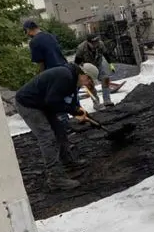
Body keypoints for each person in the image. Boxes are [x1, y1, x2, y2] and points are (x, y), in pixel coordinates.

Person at [15, 63, 99, 191]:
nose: (87, 84)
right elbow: (53, 101)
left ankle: (68, 163)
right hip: (28, 104)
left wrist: (79, 111)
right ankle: (55, 178)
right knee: (47, 137)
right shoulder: (66, 77)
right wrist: (74, 111)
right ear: (84, 74)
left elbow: (69, 101)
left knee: (59, 130)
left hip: (42, 103)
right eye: (88, 80)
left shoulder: (72, 79)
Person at [75, 34, 114, 109]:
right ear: (88, 42)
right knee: (90, 84)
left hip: (98, 65)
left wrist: (110, 64)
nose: (96, 44)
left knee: (105, 79)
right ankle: (96, 103)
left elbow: (106, 54)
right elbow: (77, 62)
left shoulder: (100, 44)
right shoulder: (81, 48)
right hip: (87, 68)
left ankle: (107, 100)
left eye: (96, 41)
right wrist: (81, 75)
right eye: (93, 42)